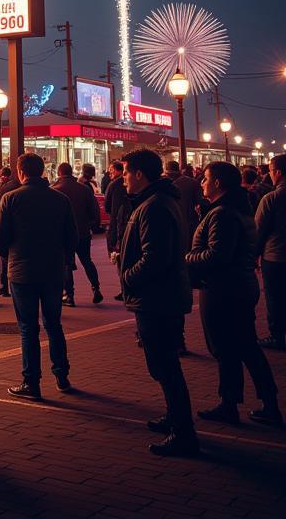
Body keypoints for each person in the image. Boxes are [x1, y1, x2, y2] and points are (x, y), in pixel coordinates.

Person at [186, 161, 281, 427]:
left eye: (205, 179)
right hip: (237, 285)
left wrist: (187, 258)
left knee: (229, 348)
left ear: (217, 183)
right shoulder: (234, 208)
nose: (201, 183)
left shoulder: (223, 214)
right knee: (241, 346)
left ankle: (239, 403)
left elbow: (218, 254)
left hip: (223, 289)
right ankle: (246, 402)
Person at [119, 149, 198, 457]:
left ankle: (183, 432)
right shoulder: (160, 201)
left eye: (126, 171)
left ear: (140, 174)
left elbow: (156, 257)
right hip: (162, 295)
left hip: (157, 298)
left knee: (164, 365)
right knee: (164, 363)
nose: (123, 177)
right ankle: (174, 418)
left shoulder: (154, 206)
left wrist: (128, 276)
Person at [0, 153, 77, 399]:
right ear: (42, 171)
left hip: (22, 272)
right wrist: (62, 257)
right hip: (53, 270)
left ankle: (31, 381)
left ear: (20, 172)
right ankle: (62, 375)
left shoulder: (10, 199)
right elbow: (71, 236)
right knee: (54, 325)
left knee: (28, 328)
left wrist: (10, 255)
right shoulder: (60, 199)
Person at [54, 162, 102, 306]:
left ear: (59, 173)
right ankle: (96, 288)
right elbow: (94, 210)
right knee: (87, 260)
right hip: (82, 231)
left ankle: (69, 295)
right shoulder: (84, 189)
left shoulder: (55, 190)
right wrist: (92, 224)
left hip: (64, 234)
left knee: (66, 263)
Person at [256, 153, 286, 350]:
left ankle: (277, 336)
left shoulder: (272, 198)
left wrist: (254, 256)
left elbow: (258, 231)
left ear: (278, 172)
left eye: (270, 171)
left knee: (275, 298)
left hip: (275, 257)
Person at [105, 161, 129, 299]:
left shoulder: (114, 185)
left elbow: (108, 207)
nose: (110, 173)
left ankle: (125, 287)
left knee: (120, 258)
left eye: (112, 170)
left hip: (118, 225)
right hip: (121, 224)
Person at [0, 166, 20, 297]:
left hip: (10, 235)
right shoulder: (57, 197)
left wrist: (0, 247)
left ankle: (5, 286)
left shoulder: (6, 191)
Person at [172, 163, 204, 251]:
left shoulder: (169, 184)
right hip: (190, 220)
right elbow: (199, 201)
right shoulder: (193, 183)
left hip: (178, 220)